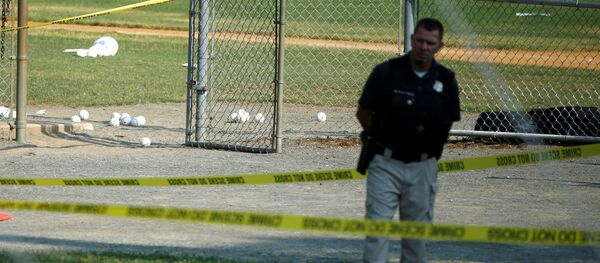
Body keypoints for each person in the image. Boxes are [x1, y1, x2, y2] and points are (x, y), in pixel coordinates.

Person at [356, 18, 461, 263]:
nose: (424, 46)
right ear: (412, 39)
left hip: (422, 167)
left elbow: (448, 122)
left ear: (440, 46)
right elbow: (363, 112)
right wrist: (383, 136)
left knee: (416, 241)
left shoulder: (446, 80)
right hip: (385, 162)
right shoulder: (387, 72)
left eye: (430, 43)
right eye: (420, 40)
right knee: (377, 234)